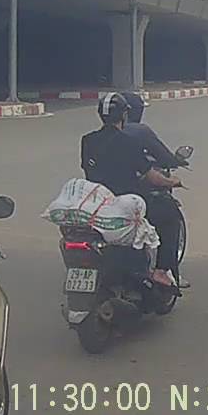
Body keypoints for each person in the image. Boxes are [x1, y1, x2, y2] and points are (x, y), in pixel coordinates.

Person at [81, 93, 183, 286]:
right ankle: (161, 271)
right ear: (124, 115)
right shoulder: (130, 141)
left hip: (98, 203)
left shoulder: (87, 140)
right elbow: (151, 176)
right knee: (170, 217)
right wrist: (172, 182)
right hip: (125, 204)